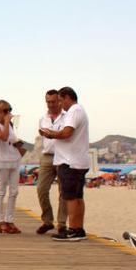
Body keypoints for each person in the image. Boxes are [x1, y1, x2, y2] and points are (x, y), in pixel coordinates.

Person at [39, 86, 89, 242]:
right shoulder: (80, 110)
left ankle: (73, 229)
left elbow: (67, 132)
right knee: (78, 196)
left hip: (69, 161)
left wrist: (51, 134)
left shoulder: (74, 111)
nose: (60, 104)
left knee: (70, 197)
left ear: (68, 97)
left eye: (61, 100)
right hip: (78, 160)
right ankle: (79, 228)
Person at [0, 100, 25, 234]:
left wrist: (22, 146)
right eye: (5, 110)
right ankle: (0, 221)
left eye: (9, 110)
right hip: (1, 161)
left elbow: (12, 139)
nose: (8, 113)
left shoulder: (9, 124)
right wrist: (5, 121)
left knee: (14, 191)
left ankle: (10, 220)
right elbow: (3, 137)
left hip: (14, 159)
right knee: (1, 190)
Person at [36, 89, 68, 235]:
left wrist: (53, 134)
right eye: (48, 102)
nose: (50, 104)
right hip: (47, 156)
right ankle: (47, 220)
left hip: (63, 155)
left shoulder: (67, 117)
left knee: (63, 192)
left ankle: (61, 224)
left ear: (59, 101)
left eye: (53, 101)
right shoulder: (43, 118)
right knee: (41, 189)